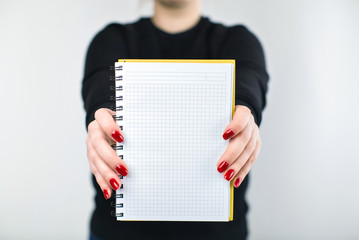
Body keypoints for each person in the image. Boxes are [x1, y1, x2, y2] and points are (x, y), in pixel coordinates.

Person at [82, 0, 269, 239]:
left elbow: (248, 88)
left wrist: (246, 115)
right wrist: (100, 121)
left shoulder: (239, 41)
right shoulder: (110, 39)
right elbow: (100, 96)